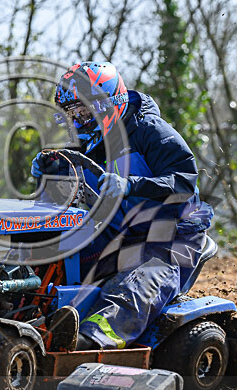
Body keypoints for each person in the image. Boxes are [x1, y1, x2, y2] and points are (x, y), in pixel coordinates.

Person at [31, 61, 213, 350]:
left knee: (134, 286)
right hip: (118, 233)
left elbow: (184, 181)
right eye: (71, 114)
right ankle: (23, 314)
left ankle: (88, 340)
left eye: (83, 111)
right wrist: (49, 170)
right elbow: (68, 188)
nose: (77, 121)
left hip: (170, 237)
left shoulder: (149, 130)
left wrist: (132, 185)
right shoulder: (89, 144)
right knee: (53, 258)